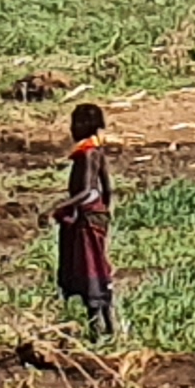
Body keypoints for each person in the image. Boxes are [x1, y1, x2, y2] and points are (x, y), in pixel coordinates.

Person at [49, 101, 116, 341]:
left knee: (89, 270)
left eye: (74, 123)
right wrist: (104, 214)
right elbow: (107, 190)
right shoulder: (97, 152)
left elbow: (86, 190)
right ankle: (110, 328)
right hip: (95, 216)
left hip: (87, 217)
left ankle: (96, 331)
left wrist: (58, 207)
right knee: (99, 269)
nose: (71, 128)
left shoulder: (87, 154)